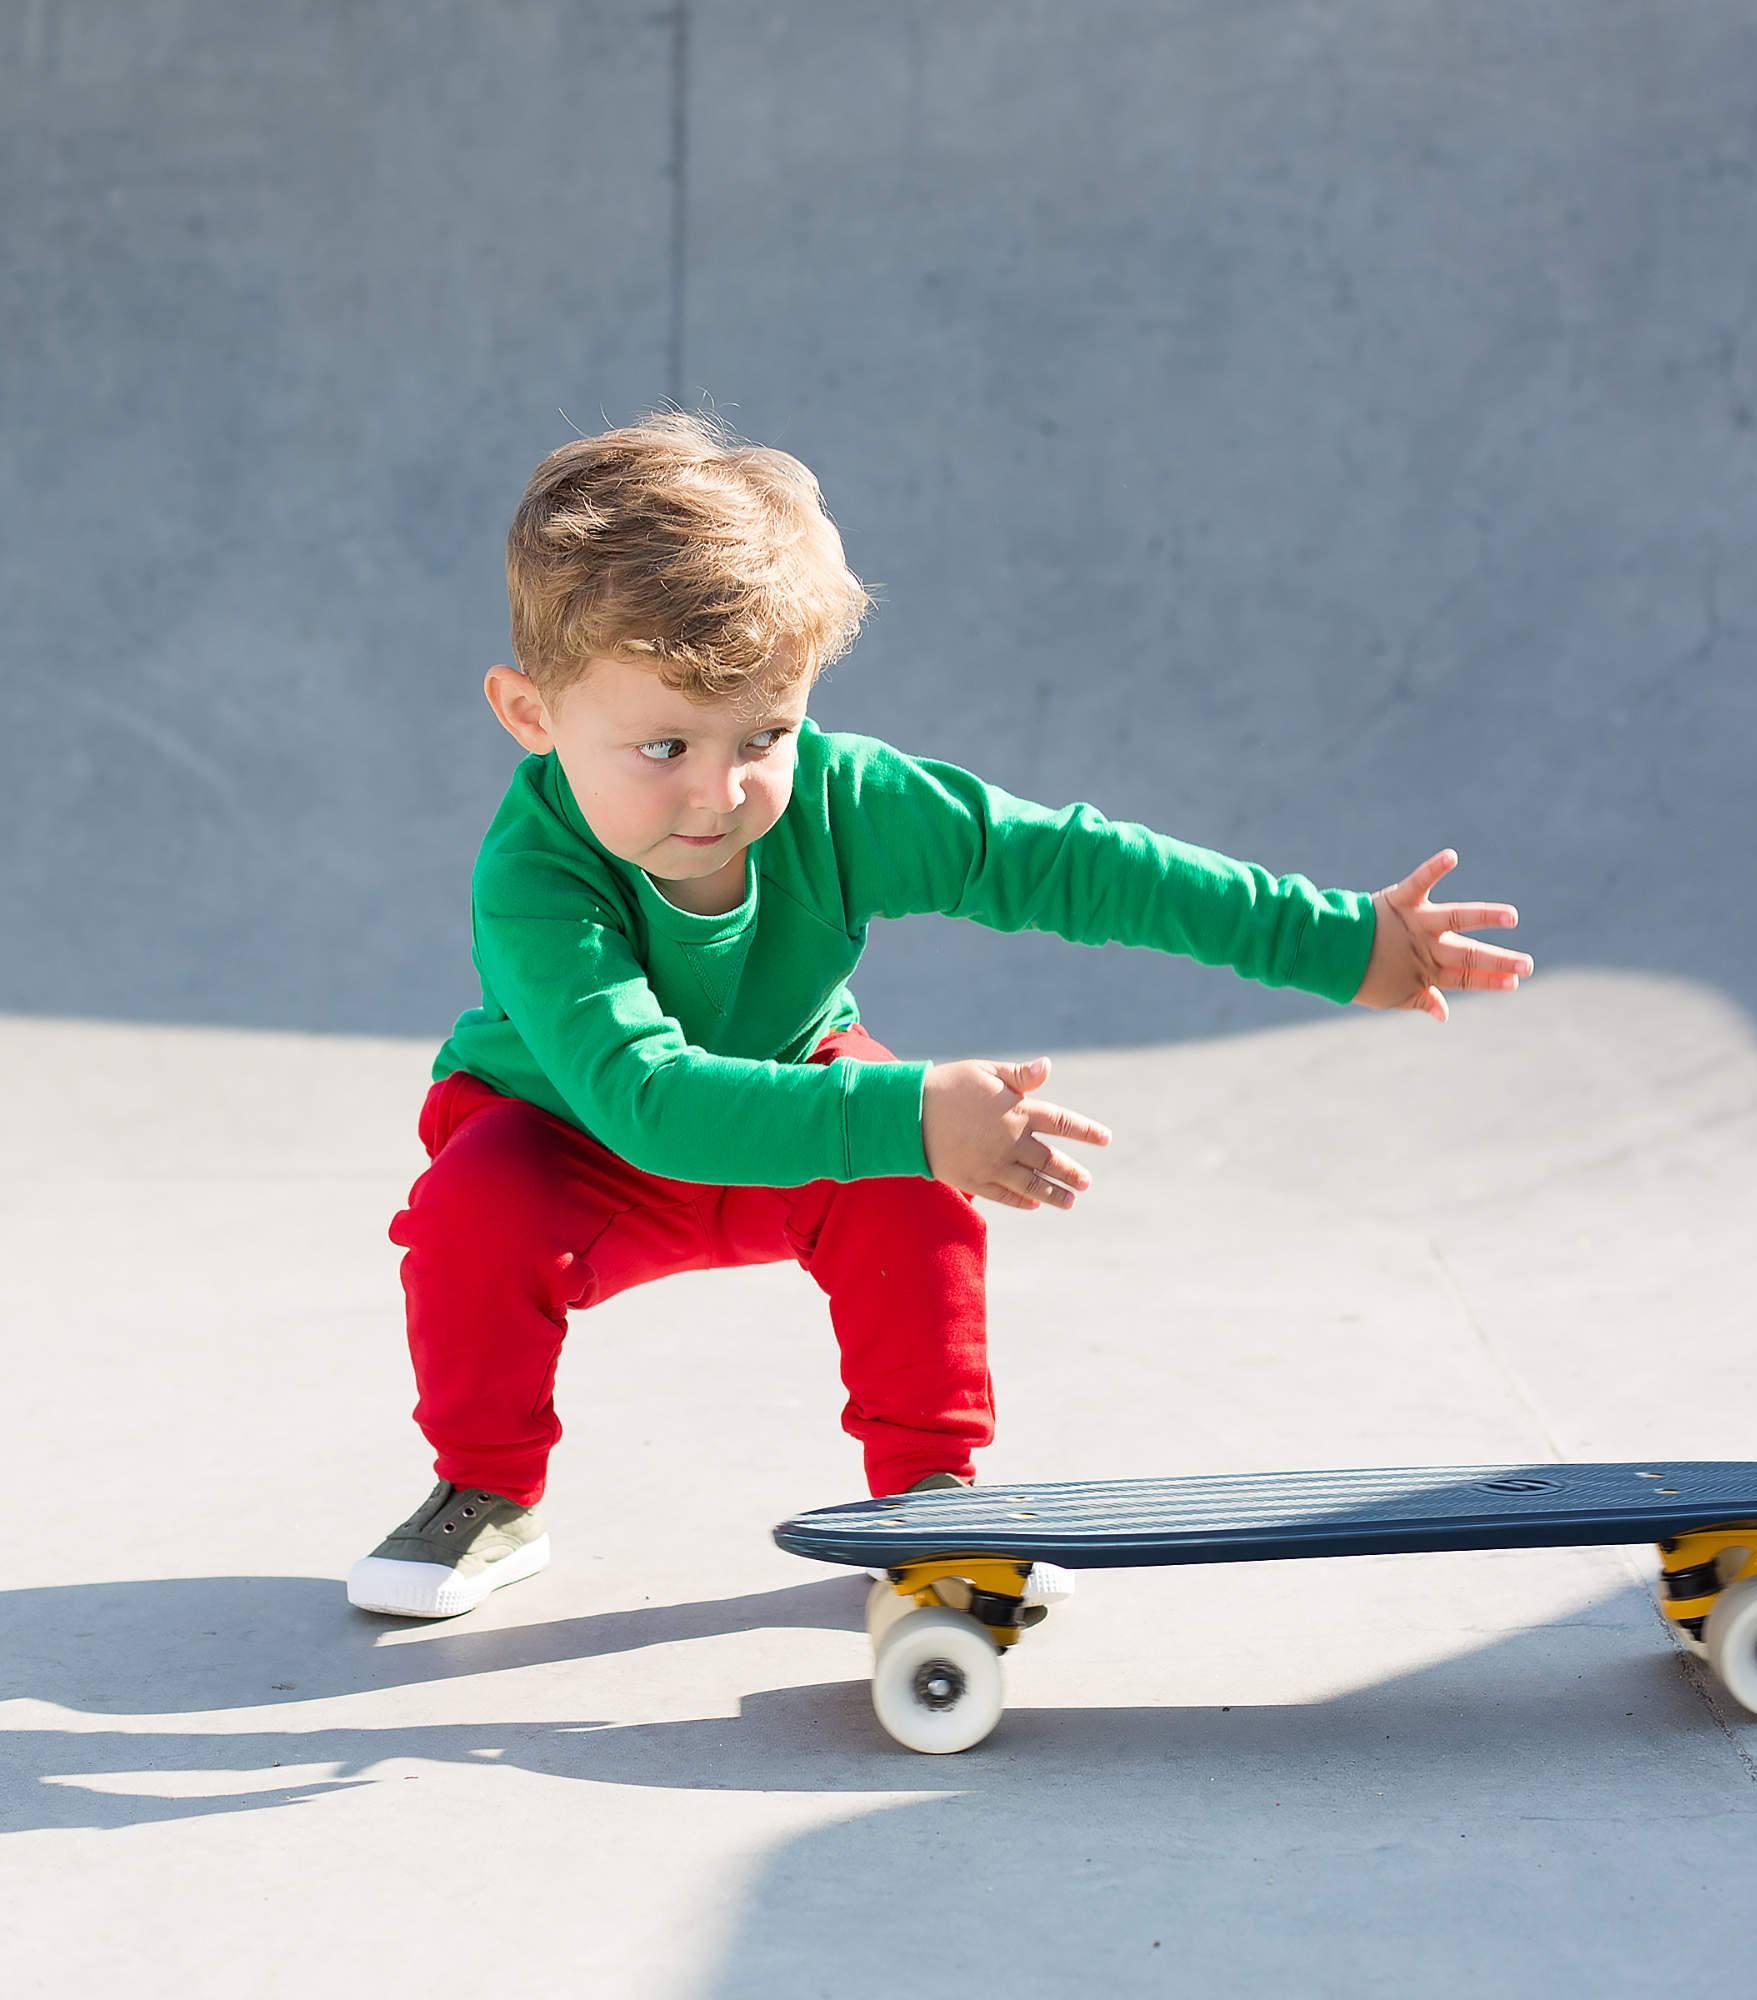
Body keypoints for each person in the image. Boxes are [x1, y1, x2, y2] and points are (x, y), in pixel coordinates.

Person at [347, 410, 1534, 1620]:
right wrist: (910, 1110)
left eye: (765, 732)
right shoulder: (534, 877)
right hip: (578, 1135)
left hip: (794, 1092)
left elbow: (1074, 864)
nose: (722, 792)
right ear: (530, 712)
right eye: (662, 744)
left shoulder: (843, 800)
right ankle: (485, 1487)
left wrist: (1339, 939)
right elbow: (644, 1101)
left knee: (914, 1194)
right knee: (472, 1209)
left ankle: (927, 1492)